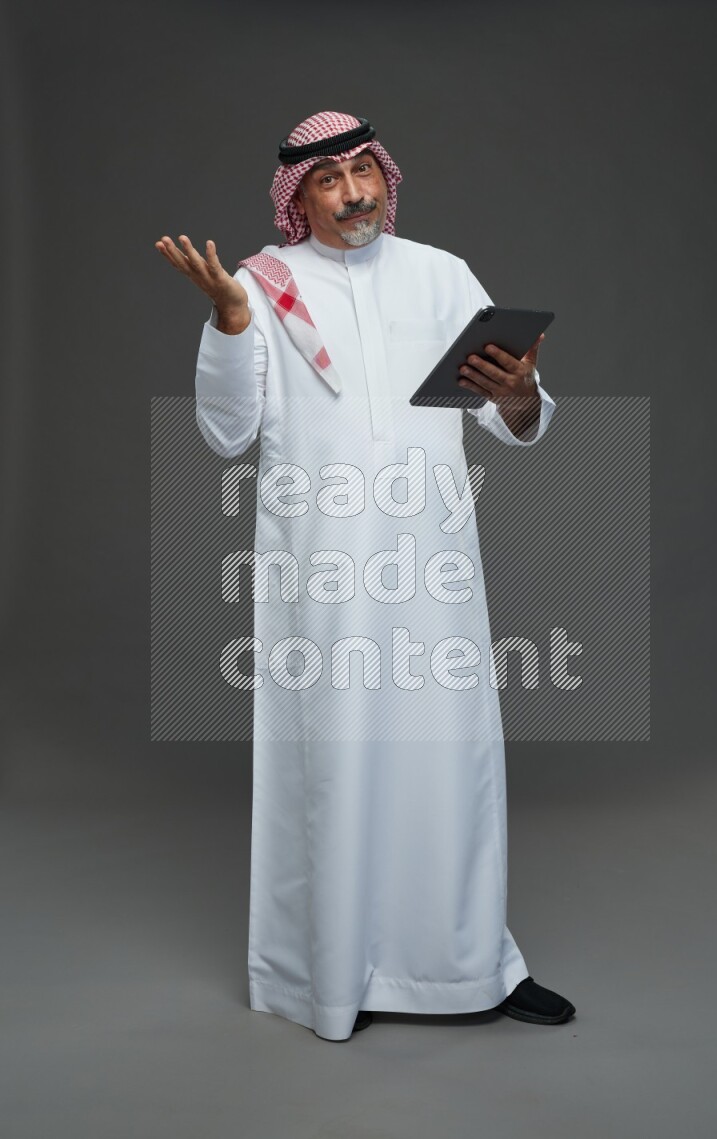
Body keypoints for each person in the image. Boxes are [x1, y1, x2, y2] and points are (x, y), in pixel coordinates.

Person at [155, 110, 575, 1042]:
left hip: (435, 567)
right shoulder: (262, 286)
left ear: (385, 172)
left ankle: (471, 967)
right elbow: (227, 434)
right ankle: (336, 972)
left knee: (451, 765)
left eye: (362, 170)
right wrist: (228, 322)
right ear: (297, 199)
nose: (353, 193)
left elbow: (518, 417)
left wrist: (517, 395)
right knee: (339, 768)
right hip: (326, 580)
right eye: (328, 180)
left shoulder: (442, 273)